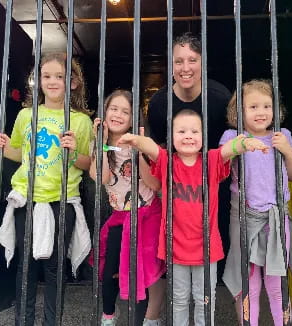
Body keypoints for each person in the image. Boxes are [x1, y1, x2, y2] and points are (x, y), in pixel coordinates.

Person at [117, 109, 268, 326]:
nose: (188, 135)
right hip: (176, 245)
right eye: (182, 131)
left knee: (204, 299)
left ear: (203, 136)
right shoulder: (169, 161)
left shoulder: (210, 160)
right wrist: (136, 140)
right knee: (178, 299)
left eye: (194, 131)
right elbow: (152, 149)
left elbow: (228, 150)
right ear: (172, 137)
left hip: (207, 247)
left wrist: (244, 144)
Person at [0, 52, 93, 326]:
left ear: (73, 83)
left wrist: (72, 152)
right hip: (27, 197)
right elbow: (21, 153)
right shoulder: (26, 115)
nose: (52, 81)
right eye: (46, 76)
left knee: (54, 268)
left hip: (62, 200)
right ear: (37, 81)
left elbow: (88, 163)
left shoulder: (81, 121)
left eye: (60, 76)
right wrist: (3, 147)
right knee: (26, 267)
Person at [146, 31, 233, 280]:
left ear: (203, 63)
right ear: (170, 65)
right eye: (178, 61)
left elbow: (230, 149)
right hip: (177, 190)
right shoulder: (160, 103)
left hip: (215, 187)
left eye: (192, 60)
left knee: (215, 253)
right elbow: (158, 150)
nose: (185, 68)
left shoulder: (220, 98)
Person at [220, 79, 292, 326]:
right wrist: (238, 147)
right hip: (245, 218)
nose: (261, 112)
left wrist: (288, 151)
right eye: (253, 106)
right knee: (250, 286)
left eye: (267, 106)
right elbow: (219, 168)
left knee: (277, 284)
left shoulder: (282, 136)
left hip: (276, 219)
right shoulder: (232, 136)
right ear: (239, 111)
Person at [89, 90, 166, 326]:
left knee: (150, 270)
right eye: (114, 109)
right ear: (104, 112)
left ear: (134, 118)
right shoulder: (101, 144)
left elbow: (155, 184)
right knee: (110, 267)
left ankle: (151, 318)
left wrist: (138, 153)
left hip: (148, 214)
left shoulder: (144, 144)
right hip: (120, 215)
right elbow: (98, 177)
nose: (118, 115)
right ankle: (109, 315)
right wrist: (101, 143)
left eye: (126, 111)